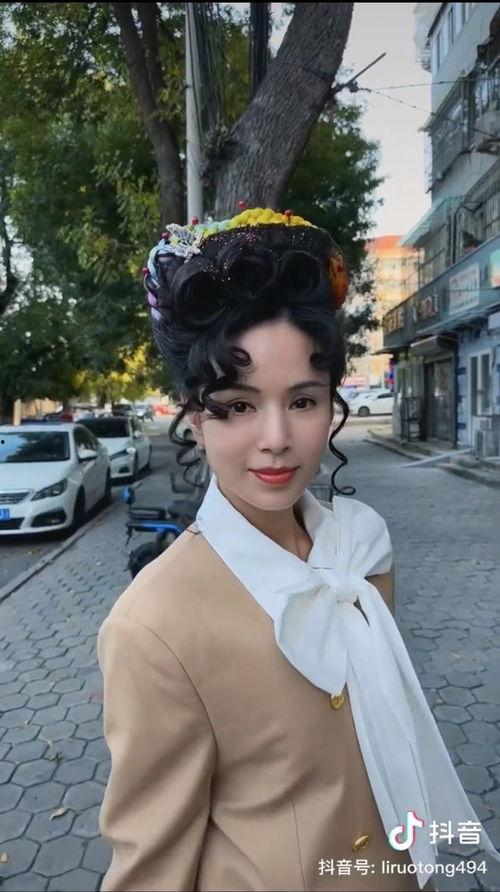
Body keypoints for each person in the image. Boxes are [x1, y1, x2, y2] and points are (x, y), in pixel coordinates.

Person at [97, 207, 500, 891]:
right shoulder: (152, 628)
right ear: (194, 418)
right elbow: (151, 869)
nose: (277, 439)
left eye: (304, 401)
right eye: (238, 405)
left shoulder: (361, 548)